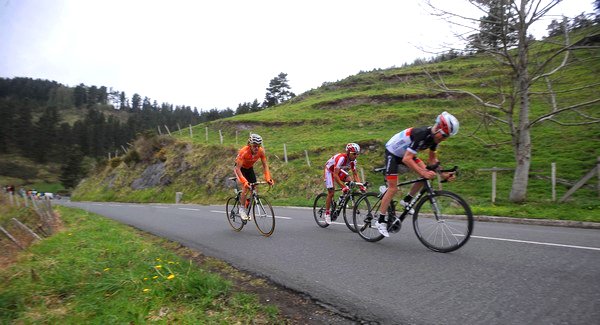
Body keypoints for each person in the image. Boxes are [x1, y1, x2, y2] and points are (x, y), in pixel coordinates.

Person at [375, 111, 459, 237]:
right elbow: (406, 159)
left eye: (446, 137)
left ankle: (407, 200)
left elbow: (432, 160)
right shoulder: (421, 134)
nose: (444, 139)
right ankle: (380, 221)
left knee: (426, 171)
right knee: (393, 188)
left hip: (406, 153)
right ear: (438, 129)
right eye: (444, 135)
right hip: (393, 152)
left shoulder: (434, 139)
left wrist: (443, 174)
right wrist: (423, 172)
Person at [322, 143, 366, 225]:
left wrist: (361, 186)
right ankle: (327, 213)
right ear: (348, 152)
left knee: (350, 181)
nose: (356, 156)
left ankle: (341, 200)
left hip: (338, 170)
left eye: (357, 154)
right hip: (330, 170)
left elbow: (355, 174)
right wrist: (343, 186)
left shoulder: (353, 161)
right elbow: (335, 175)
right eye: (354, 154)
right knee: (331, 192)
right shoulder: (341, 158)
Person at [234, 133, 274, 221]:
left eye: (258, 146)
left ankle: (247, 202)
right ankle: (241, 209)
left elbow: (265, 165)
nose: (257, 148)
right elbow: (238, 169)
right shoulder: (243, 152)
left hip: (249, 168)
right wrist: (244, 182)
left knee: (254, 188)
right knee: (245, 187)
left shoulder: (261, 151)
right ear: (250, 145)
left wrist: (268, 178)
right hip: (240, 169)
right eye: (254, 146)